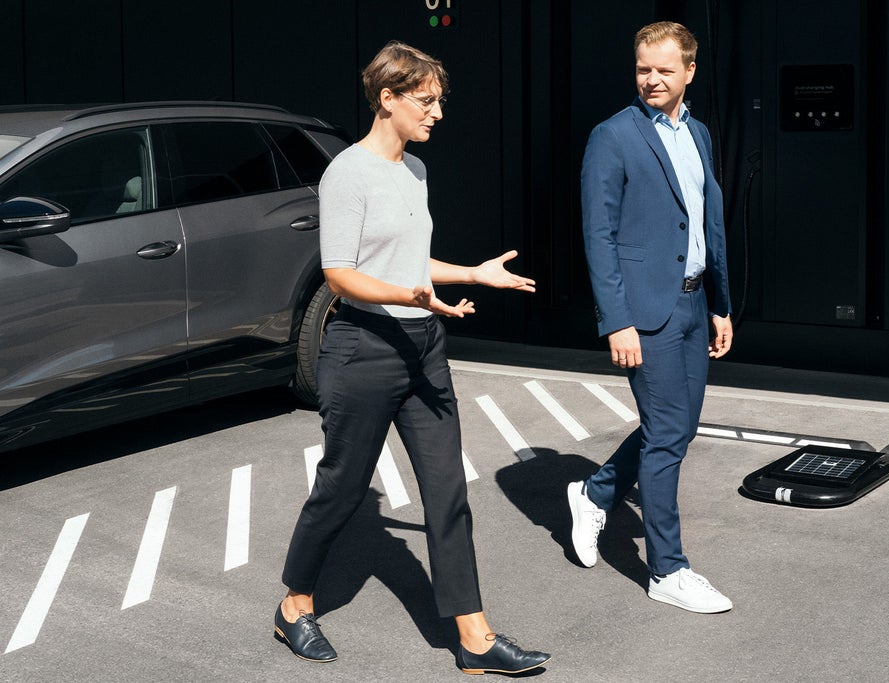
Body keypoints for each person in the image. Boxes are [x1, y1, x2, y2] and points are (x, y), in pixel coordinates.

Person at [274, 41, 551, 675]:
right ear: (387, 98)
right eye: (425, 101)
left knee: (448, 490)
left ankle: (474, 637)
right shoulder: (346, 172)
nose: (437, 114)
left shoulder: (415, 172)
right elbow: (340, 273)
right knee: (342, 489)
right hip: (363, 348)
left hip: (423, 348)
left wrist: (472, 276)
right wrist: (409, 294)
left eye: (439, 101)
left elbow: (412, 263)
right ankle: (295, 605)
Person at [569, 21, 735, 614]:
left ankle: (593, 491)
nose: (652, 80)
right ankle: (667, 570)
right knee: (667, 437)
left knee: (677, 429)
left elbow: (708, 222)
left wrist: (720, 302)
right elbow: (599, 234)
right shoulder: (612, 137)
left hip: (693, 302)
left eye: (665, 69)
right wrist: (616, 320)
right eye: (644, 68)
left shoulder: (700, 134)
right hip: (644, 311)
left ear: (690, 71)